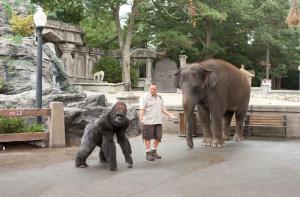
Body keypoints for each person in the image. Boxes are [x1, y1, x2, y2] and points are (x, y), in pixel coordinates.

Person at [139, 82, 176, 161]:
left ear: (156, 89)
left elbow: (163, 109)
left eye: (154, 89)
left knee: (158, 137)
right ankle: (148, 153)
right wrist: (141, 118)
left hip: (158, 121)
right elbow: (142, 109)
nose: (153, 90)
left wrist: (169, 114)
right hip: (148, 121)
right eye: (151, 89)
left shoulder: (159, 97)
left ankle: (154, 151)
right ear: (149, 89)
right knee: (147, 137)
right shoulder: (145, 97)